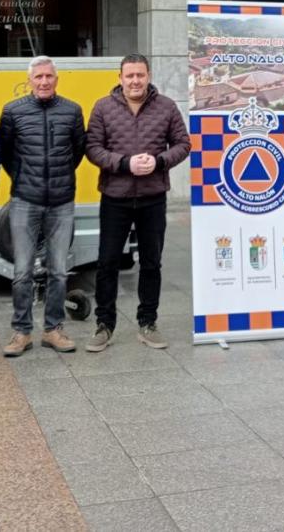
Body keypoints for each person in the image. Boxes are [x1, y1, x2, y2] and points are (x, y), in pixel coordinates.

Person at [84, 53, 189, 352]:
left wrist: (158, 162)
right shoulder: (103, 108)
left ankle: (148, 322)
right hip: (115, 196)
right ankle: (104, 324)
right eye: (129, 75)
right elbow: (93, 147)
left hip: (152, 197)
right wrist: (124, 163)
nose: (135, 81)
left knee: (152, 262)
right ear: (120, 78)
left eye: (140, 75)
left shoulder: (166, 107)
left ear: (148, 76)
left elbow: (183, 144)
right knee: (107, 263)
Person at [0, 55, 87, 356]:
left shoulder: (72, 111)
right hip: (25, 200)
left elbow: (78, 152)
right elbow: (6, 154)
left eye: (49, 76)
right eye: (39, 77)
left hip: (62, 202)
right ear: (30, 80)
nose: (44, 81)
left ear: (56, 79)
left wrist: (57, 179)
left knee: (59, 271)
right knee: (22, 271)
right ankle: (21, 332)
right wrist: (25, 178)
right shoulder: (13, 112)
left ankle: (53, 329)